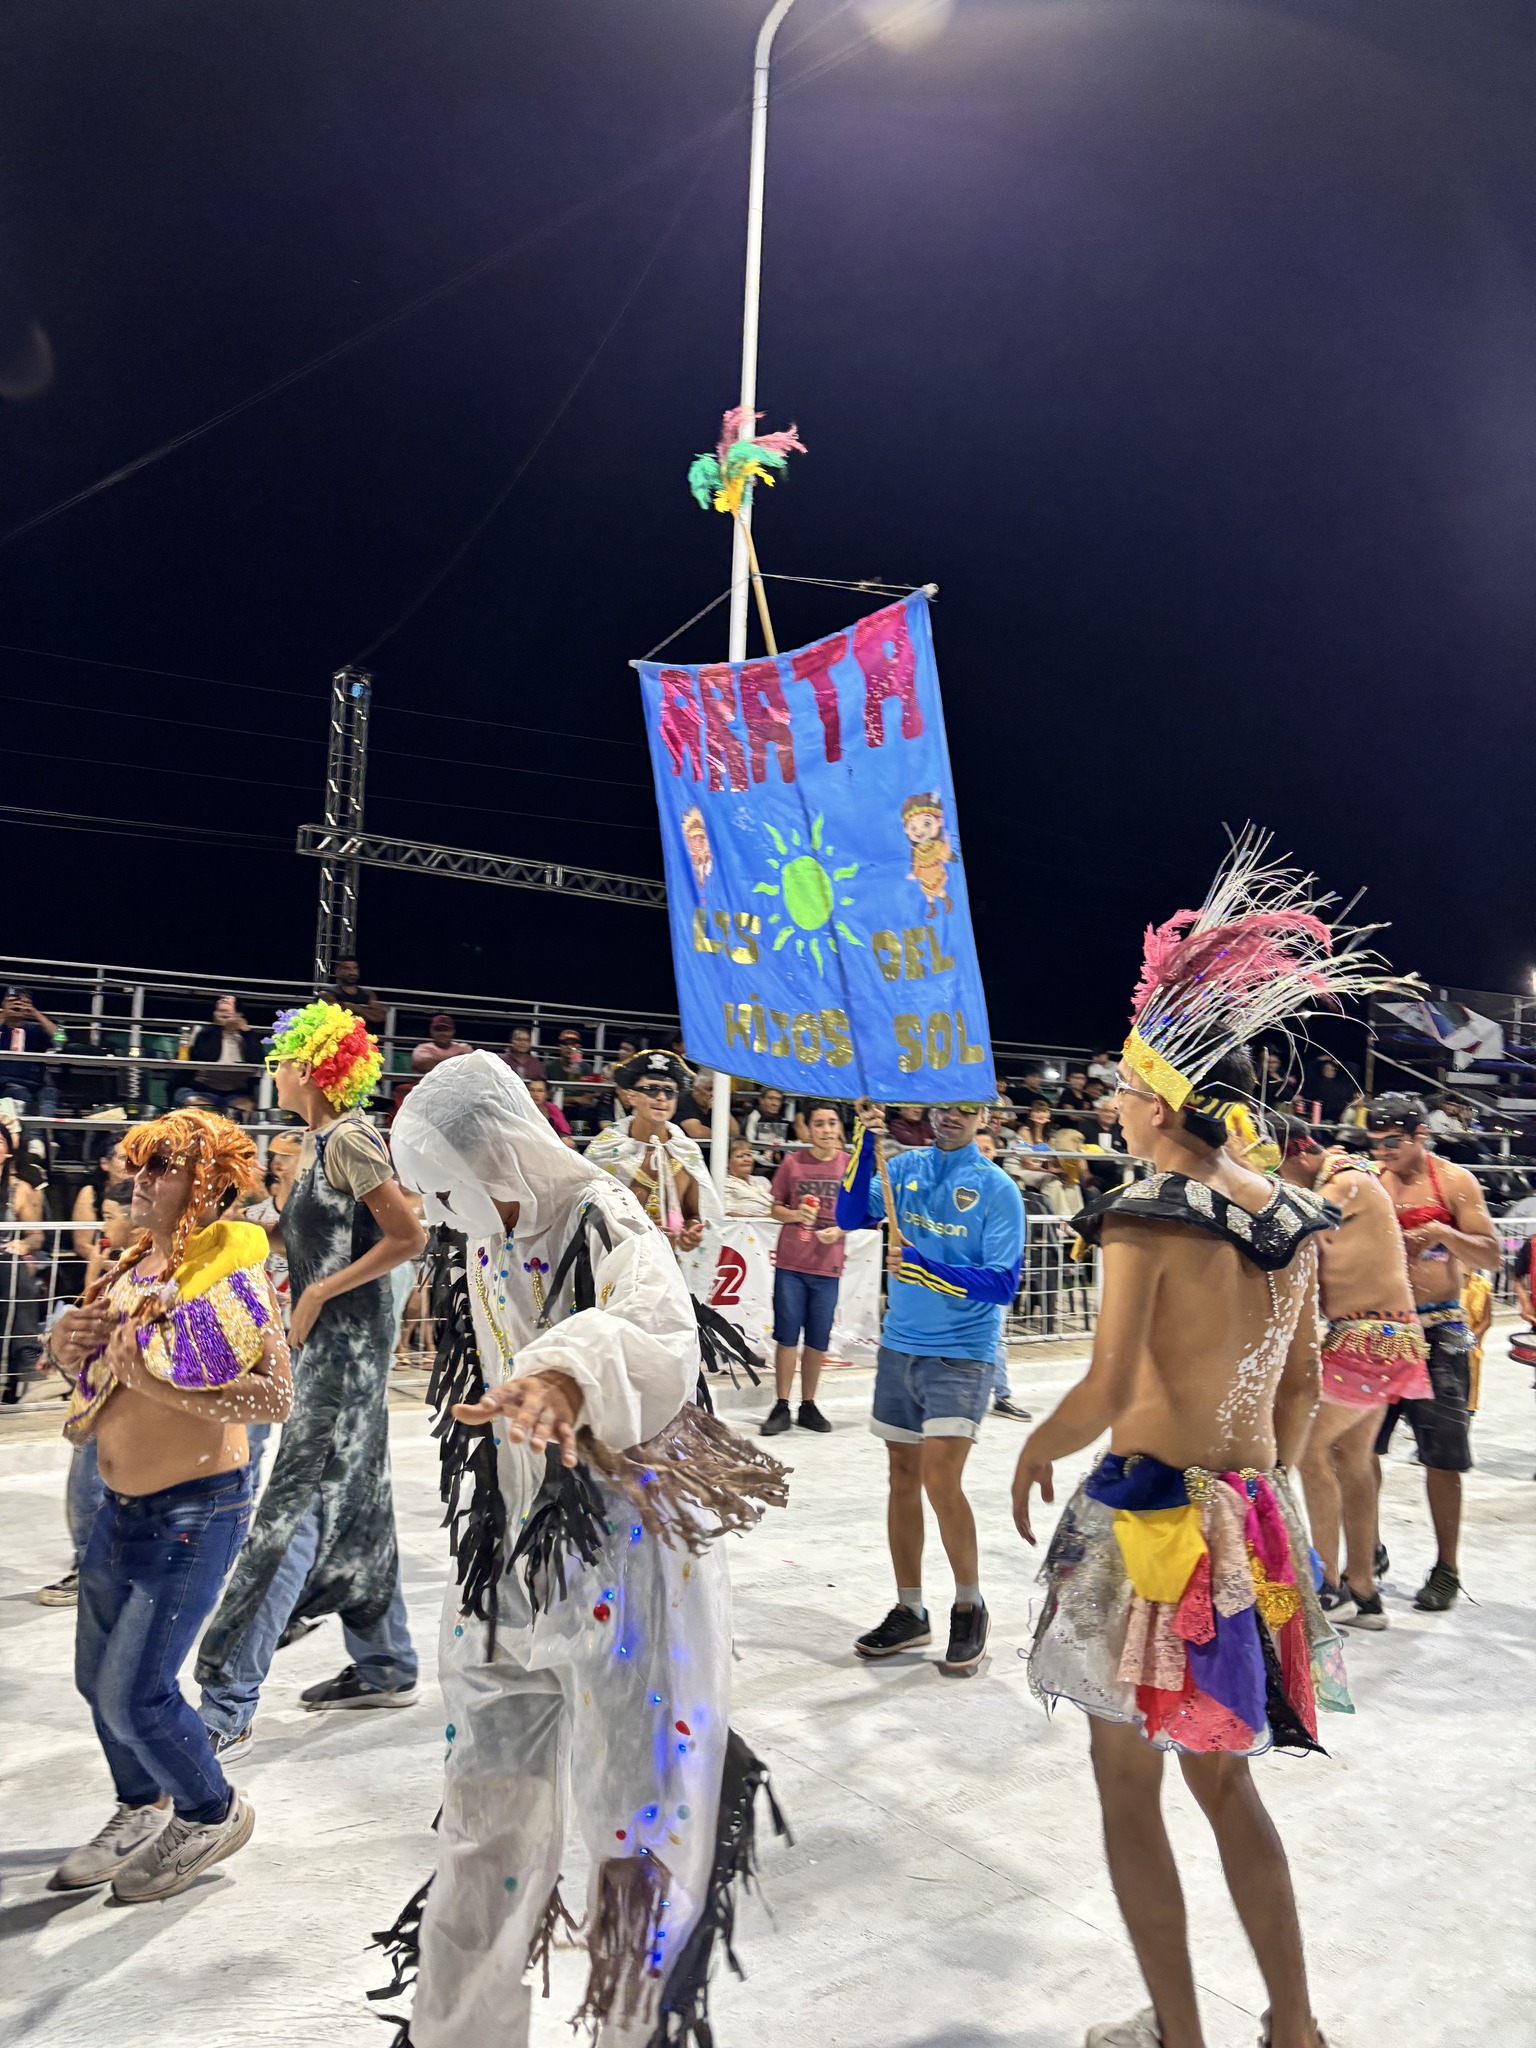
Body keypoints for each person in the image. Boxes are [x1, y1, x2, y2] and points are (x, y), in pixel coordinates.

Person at [1015, 833, 1395, 2048]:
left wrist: (1039, 1444)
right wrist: (1256, 1484)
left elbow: (1109, 1380)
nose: (1107, 1099)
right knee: (1226, 1783)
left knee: (1128, 1787)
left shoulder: (1143, 1213)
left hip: (1146, 1527)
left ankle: (1178, 2032)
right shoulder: (1291, 1211)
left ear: (1163, 1094)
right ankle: (1292, 2022)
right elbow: (1295, 1385)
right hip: (1250, 1513)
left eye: (1119, 1083)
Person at [376, 1051, 789, 2048]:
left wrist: (565, 1374)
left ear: (500, 1154)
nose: (438, 1205)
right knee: (485, 1811)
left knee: (631, 1814)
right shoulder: (478, 1237)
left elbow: (654, 1321)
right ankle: (458, 2025)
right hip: (508, 1556)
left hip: (621, 1563)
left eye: (447, 1182)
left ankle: (631, 2022)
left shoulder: (602, 1213)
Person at [43, 1109, 292, 1902]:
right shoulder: (124, 1270)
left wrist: (155, 1382)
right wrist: (63, 1346)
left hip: (196, 1515)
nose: (141, 1181)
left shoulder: (231, 1274)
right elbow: (85, 1370)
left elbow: (276, 1396)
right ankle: (140, 1804)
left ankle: (210, 1810)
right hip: (117, 1510)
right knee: (95, 1680)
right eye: (139, 1165)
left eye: (162, 1169)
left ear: (208, 1186)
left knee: (135, 1692)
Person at [197, 1003, 426, 1757]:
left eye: (287, 1058)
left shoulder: (351, 1140)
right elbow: (311, 1234)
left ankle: (227, 1698)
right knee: (361, 1506)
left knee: (286, 1518)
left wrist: (320, 1292)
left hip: (344, 1357)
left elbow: (407, 1237)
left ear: (317, 1068)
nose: (277, 1069)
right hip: (331, 1356)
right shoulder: (318, 1141)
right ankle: (385, 1661)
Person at [836, 1098, 1024, 1674]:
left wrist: (928, 1270)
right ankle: (911, 1610)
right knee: (902, 1479)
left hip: (962, 1356)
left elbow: (1003, 1284)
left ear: (984, 1119)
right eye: (945, 1106)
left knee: (942, 1481)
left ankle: (970, 1603)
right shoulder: (904, 1170)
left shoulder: (997, 1189)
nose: (952, 1116)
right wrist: (865, 1145)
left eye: (967, 1109)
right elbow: (847, 1215)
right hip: (900, 1347)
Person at [1279, 1121, 1425, 1629]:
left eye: (1274, 1170)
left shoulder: (1344, 1182)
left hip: (1367, 1338)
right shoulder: (1354, 1176)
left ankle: (1330, 1586)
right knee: (1352, 1460)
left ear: (1296, 1156)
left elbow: (1287, 1228)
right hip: (1378, 1337)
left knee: (1307, 1450)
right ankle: (1364, 1593)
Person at [1367, 1093, 1500, 1612]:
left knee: (1444, 1458)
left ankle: (1447, 1567)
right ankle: (1367, 1546)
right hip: (1374, 1332)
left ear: (1420, 1135)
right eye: (1374, 1143)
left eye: (1392, 1142)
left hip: (1440, 1331)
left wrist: (1442, 1231)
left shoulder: (1455, 1182)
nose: (1383, 1152)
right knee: (1358, 1452)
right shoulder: (1368, 1182)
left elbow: (1491, 1252)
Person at [761, 1105, 849, 1437]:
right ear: (808, 1129)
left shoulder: (849, 1166)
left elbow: (862, 1215)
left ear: (839, 1127)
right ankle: (781, 1404)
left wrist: (839, 1231)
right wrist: (796, 1214)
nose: (826, 1129)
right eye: (818, 1123)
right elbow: (775, 1208)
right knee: (786, 1336)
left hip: (827, 1267)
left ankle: (808, 1405)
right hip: (792, 1264)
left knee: (817, 1339)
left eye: (831, 1123)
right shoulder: (792, 1163)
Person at [586, 1053, 715, 1253]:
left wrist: (691, 1234)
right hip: (613, 1267)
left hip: (668, 1269)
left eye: (669, 1092)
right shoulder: (604, 1150)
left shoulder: (687, 1153)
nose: (662, 1098)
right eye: (651, 1089)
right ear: (632, 1096)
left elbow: (694, 1215)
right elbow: (585, 1212)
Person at [975, 1128, 1030, 1421]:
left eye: (987, 1148)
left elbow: (1014, 1235)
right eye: (977, 1147)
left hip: (994, 1275)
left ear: (995, 1152)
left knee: (995, 1336)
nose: (982, 1153)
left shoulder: (1004, 1187)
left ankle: (1001, 1395)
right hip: (962, 1273)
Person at [181, 994, 264, 1115]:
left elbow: (257, 1060)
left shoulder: (248, 1036)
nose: (222, 999)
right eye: (220, 1000)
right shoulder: (204, 1032)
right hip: (202, 1089)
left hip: (237, 1091)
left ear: (239, 1014)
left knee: (244, 1108)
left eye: (228, 1001)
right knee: (199, 1107)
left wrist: (246, 1031)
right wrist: (217, 1028)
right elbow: (205, 1057)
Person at [0, 986, 61, 1110]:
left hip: (36, 1083)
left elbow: (61, 1038)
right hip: (5, 1082)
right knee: (21, 1095)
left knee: (50, 1095)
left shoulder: (36, 1029)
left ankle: (45, 1128)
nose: (17, 1006)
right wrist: (4, 1014)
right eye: (11, 1001)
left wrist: (34, 1012)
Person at [675, 1065, 738, 1146]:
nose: (713, 1094)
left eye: (717, 1089)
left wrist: (722, 1109)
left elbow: (735, 1133)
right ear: (695, 1089)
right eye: (709, 1089)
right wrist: (724, 1135)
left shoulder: (717, 1103)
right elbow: (698, 1133)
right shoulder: (684, 1101)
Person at [322, 956, 388, 1027]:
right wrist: (366, 1013)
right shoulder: (327, 993)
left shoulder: (368, 994)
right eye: (347, 968)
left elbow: (380, 1016)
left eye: (355, 968)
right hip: (337, 1035)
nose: (352, 972)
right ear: (338, 971)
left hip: (362, 1035)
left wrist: (357, 1008)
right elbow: (333, 1014)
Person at [723, 1137, 775, 1217]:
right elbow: (727, 1213)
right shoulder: (725, 1184)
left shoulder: (763, 1181)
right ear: (727, 1162)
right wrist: (765, 1218)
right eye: (740, 1156)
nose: (747, 1159)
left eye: (749, 1155)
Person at [526, 1075, 574, 1146]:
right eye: (532, 1090)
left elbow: (563, 1128)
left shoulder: (552, 1109)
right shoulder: (520, 1106)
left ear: (547, 1094)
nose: (535, 1094)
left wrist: (564, 1137)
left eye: (540, 1091)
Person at [744, 1083, 792, 1153]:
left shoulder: (781, 1121)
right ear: (761, 1100)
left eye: (778, 1100)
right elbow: (749, 1144)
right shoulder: (753, 1118)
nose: (775, 1103)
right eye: (771, 1098)